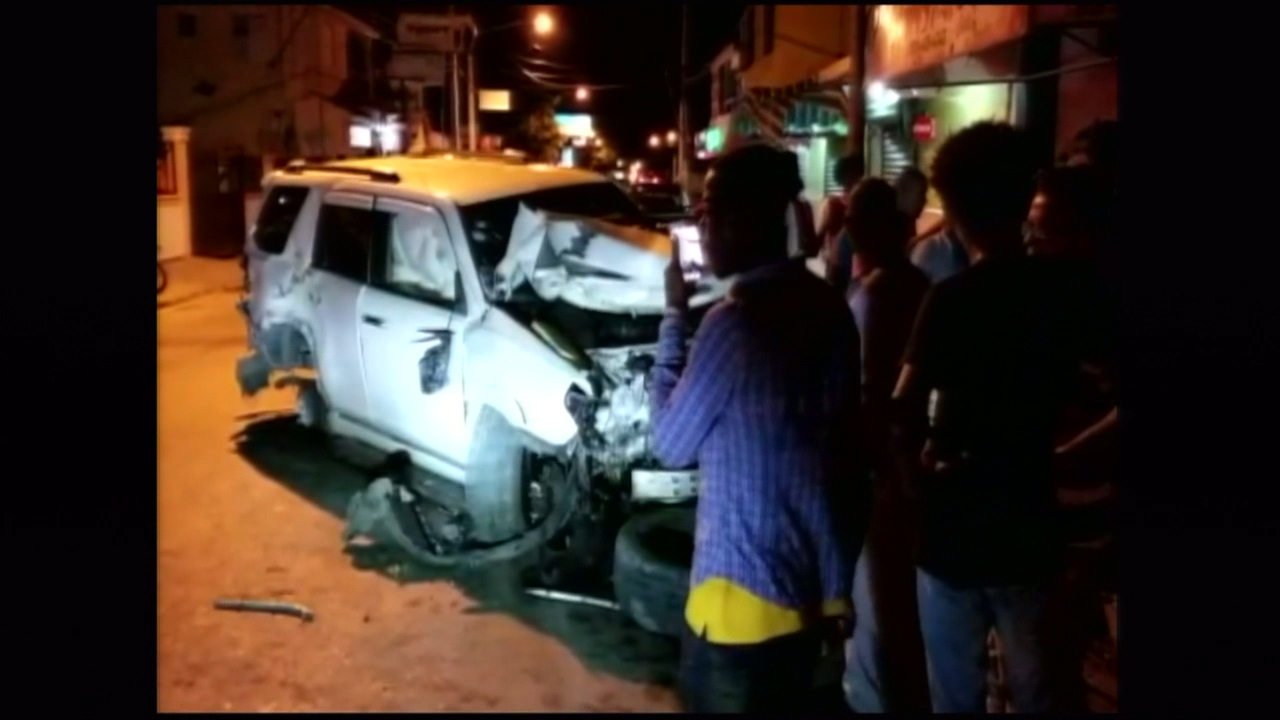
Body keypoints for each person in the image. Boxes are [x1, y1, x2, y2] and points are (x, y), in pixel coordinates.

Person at [890, 122, 1108, 713]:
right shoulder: (1070, 294)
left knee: (956, 693)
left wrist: (916, 483)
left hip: (953, 531)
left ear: (953, 209)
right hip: (1031, 528)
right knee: (1038, 690)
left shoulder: (952, 299)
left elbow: (902, 408)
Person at [650, 143, 869, 713]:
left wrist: (674, 317)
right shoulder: (829, 307)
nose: (704, 225)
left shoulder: (735, 324)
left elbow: (670, 446)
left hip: (735, 611)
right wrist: (836, 589)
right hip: (806, 599)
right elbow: (844, 455)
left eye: (712, 211)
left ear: (752, 221)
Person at [1025, 165, 1119, 711]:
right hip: (1046, 503)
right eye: (1030, 229)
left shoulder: (1105, 306)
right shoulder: (1043, 298)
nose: (1032, 243)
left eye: (1046, 230)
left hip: (1091, 504)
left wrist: (1060, 456)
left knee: (1057, 654)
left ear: (1086, 234)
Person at [840, 178, 932, 714]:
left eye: (855, 218)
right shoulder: (917, 282)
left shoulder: (878, 293)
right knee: (898, 609)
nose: (848, 226)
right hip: (905, 472)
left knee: (878, 609)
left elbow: (873, 395)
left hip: (883, 474)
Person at [819, 153, 867, 294]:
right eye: (857, 173)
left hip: (843, 264)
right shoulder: (835, 204)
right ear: (848, 176)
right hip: (842, 266)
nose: (860, 177)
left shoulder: (834, 203)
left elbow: (822, 237)